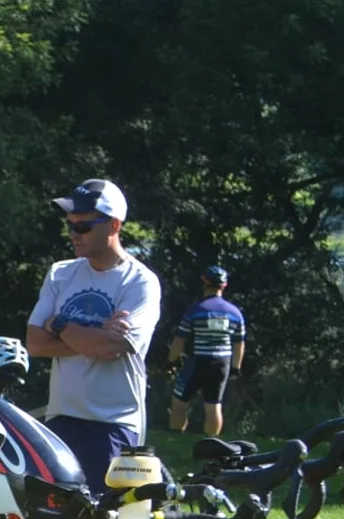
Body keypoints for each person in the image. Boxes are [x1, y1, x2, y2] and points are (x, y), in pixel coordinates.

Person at [25, 178, 163, 497]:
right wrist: (94, 337)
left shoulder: (140, 282)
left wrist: (58, 324)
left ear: (114, 225)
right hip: (61, 417)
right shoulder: (61, 273)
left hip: (113, 422)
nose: (74, 234)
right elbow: (35, 343)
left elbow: (111, 348)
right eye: (70, 225)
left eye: (84, 226)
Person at [168, 264, 247, 436]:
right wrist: (235, 368)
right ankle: (211, 443)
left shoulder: (196, 309)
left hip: (199, 361)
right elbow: (239, 344)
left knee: (179, 402)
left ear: (204, 283)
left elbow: (180, 338)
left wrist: (172, 360)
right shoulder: (235, 313)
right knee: (213, 405)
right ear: (224, 286)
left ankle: (176, 437)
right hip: (222, 363)